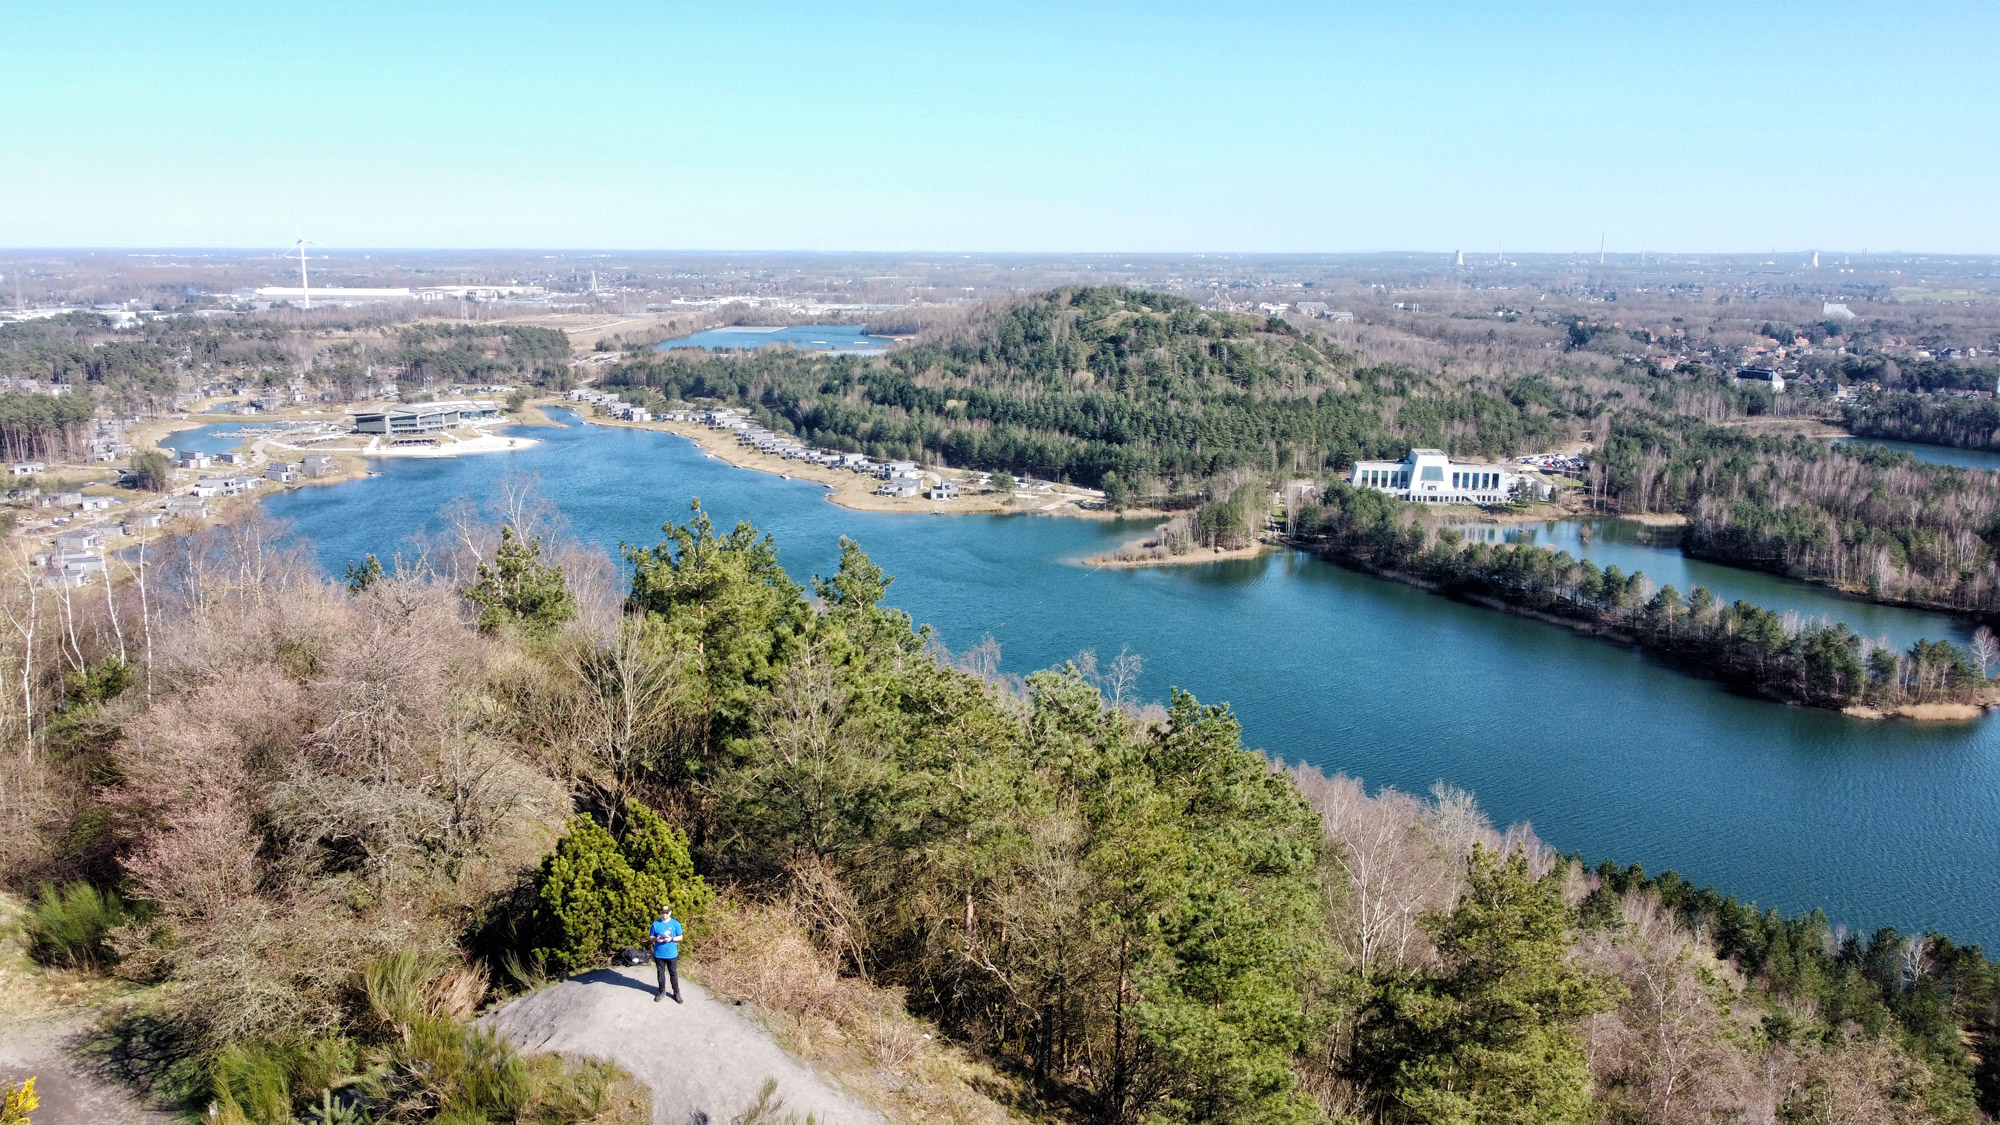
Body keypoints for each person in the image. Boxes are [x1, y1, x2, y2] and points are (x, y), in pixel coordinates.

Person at [650, 905, 684, 1004]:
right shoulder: (656, 924)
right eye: (662, 913)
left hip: (671, 954)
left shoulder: (675, 923)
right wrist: (656, 939)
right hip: (659, 954)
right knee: (660, 973)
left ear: (670, 912)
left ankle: (676, 993)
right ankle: (661, 991)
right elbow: (651, 937)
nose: (664, 915)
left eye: (666, 913)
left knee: (673, 973)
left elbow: (680, 937)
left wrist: (672, 939)